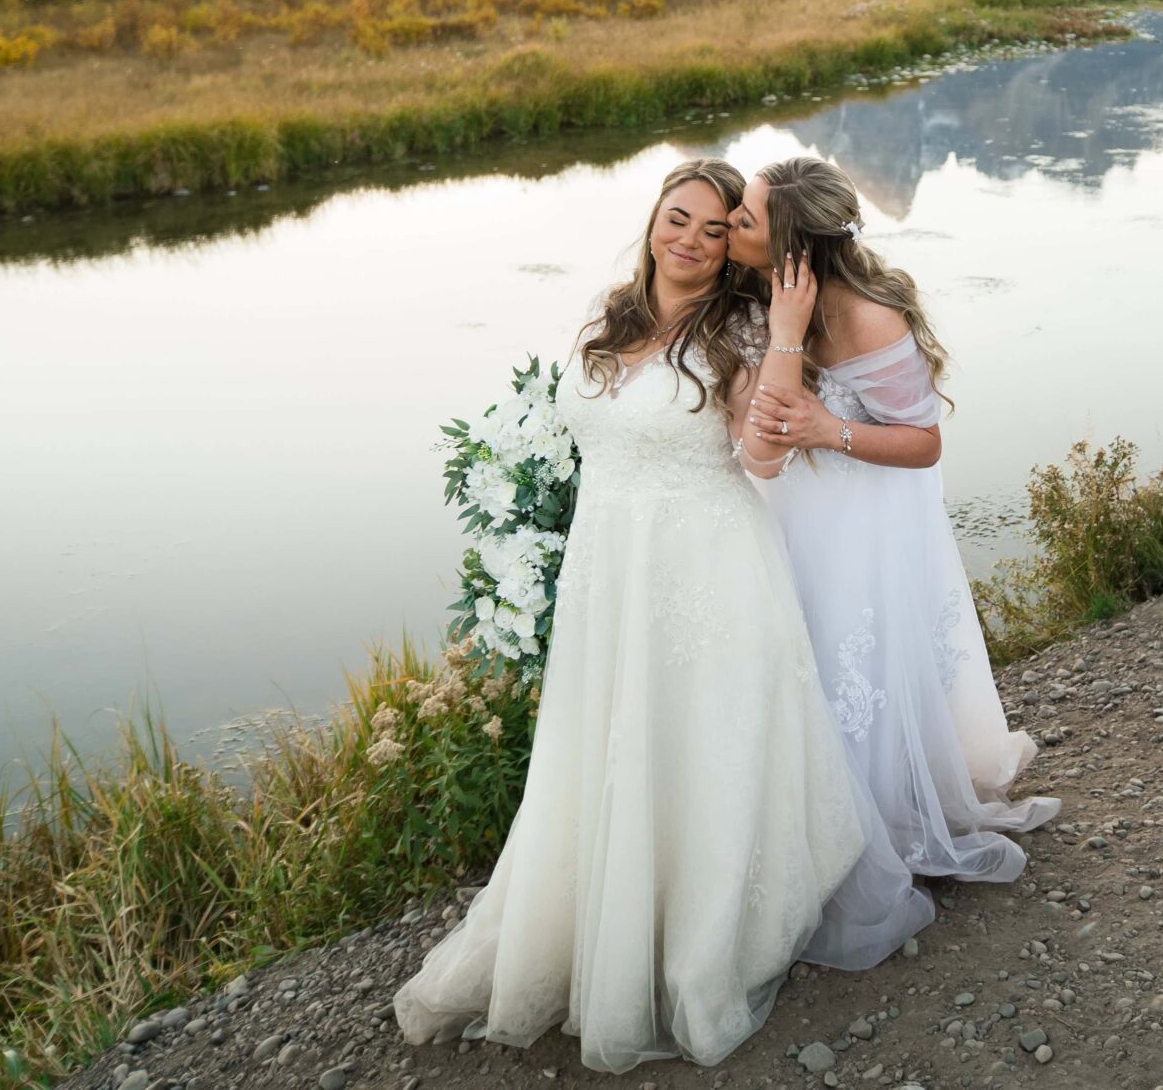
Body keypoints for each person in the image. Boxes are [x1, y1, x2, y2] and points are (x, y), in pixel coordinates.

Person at [395, 159, 930, 1075]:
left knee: (698, 755)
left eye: (716, 229)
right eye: (677, 218)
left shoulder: (741, 331)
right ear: (653, 220)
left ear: (732, 251)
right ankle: (603, 920)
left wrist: (792, 332)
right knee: (605, 755)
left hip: (708, 580)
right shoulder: (612, 317)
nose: (690, 238)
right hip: (610, 582)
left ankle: (697, 941)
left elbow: (763, 460)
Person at [731, 156, 1059, 882]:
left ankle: (872, 824)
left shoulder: (868, 317)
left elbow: (924, 442)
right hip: (789, 513)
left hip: (860, 529)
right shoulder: (764, 298)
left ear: (791, 246)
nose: (730, 222)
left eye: (746, 218)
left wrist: (827, 429)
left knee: (853, 660)